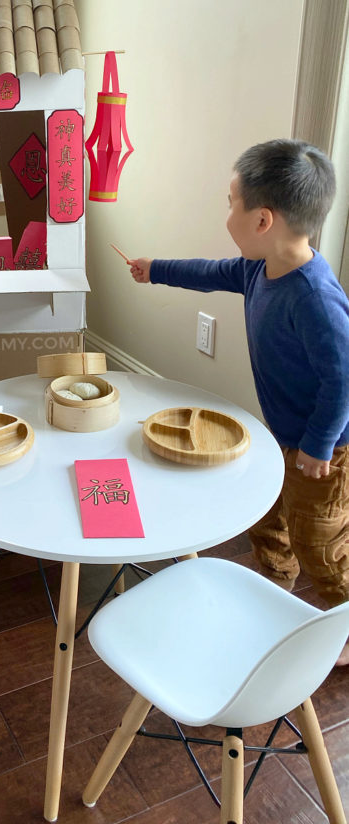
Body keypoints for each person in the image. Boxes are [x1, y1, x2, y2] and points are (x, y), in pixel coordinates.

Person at [128, 139, 349, 666]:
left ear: (263, 220)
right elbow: (208, 273)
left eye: (231, 201)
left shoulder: (314, 298)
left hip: (326, 450)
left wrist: (318, 446)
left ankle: (342, 610)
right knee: (268, 515)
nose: (226, 210)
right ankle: (273, 590)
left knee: (320, 541)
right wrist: (154, 268)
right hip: (284, 435)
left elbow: (343, 381)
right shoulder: (257, 268)